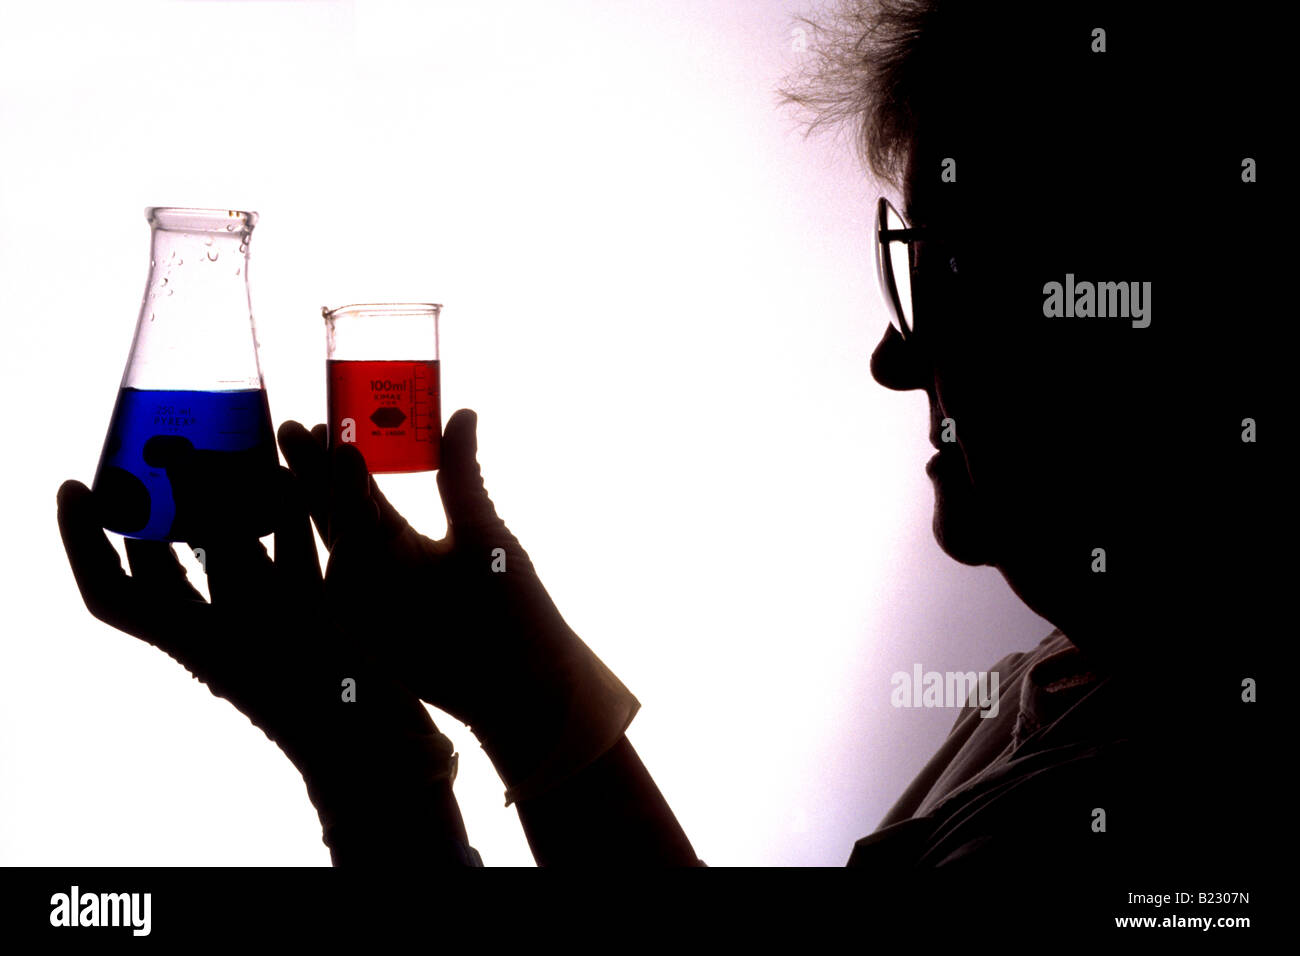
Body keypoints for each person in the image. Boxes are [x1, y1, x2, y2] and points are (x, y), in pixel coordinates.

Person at [57, 0, 1269, 894]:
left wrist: (523, 700)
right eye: (911, 268)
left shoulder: (1176, 813)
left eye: (953, 271)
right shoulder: (1058, 684)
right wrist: (369, 752)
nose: (896, 359)